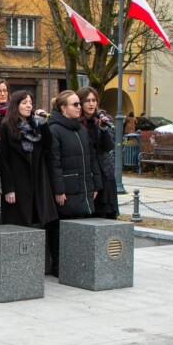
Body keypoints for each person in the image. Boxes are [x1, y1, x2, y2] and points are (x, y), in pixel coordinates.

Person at [0, 90, 57, 273]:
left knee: (37, 222)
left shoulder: (35, 126)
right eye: (24, 102)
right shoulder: (6, 127)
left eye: (30, 102)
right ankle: (15, 268)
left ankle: (31, 268)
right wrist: (8, 188)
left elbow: (48, 147)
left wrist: (44, 125)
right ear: (16, 105)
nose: (29, 105)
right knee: (17, 225)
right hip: (17, 184)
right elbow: (3, 160)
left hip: (37, 181)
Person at [47, 90, 101, 274]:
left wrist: (95, 184)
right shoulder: (54, 129)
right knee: (61, 227)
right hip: (67, 188)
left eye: (79, 104)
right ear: (63, 108)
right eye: (75, 104)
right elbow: (54, 163)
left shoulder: (81, 130)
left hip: (83, 186)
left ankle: (77, 263)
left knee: (79, 225)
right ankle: (58, 264)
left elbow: (91, 158)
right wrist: (59, 190)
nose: (80, 107)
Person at [78, 86, 118, 220]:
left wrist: (103, 129)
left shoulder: (104, 119)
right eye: (87, 101)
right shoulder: (77, 122)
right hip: (86, 171)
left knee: (106, 214)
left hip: (103, 171)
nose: (91, 104)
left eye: (94, 100)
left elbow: (109, 146)